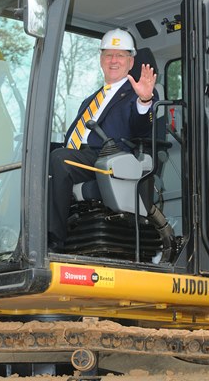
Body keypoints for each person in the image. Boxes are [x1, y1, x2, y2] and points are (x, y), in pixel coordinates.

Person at [48, 28, 158, 252]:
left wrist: (145, 100)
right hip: (81, 155)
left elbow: (141, 127)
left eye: (120, 55)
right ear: (101, 59)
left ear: (130, 61)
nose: (113, 60)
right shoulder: (91, 99)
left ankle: (52, 241)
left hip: (108, 157)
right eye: (108, 55)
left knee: (59, 159)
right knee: (35, 153)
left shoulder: (137, 93)